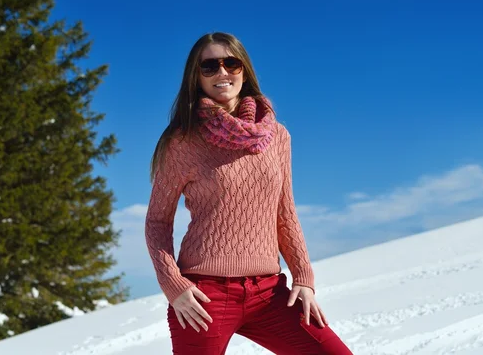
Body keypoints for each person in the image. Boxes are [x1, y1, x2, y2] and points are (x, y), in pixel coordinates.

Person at [145, 32, 354, 354]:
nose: (222, 73)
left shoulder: (277, 136)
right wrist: (174, 285)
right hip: (205, 296)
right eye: (209, 66)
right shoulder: (182, 142)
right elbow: (158, 221)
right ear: (195, 77)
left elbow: (284, 212)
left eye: (231, 63)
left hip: (270, 293)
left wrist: (303, 276)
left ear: (245, 70)